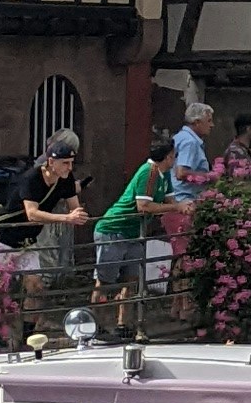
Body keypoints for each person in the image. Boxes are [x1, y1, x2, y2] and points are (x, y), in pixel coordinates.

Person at [93, 133, 175, 300]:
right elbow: (143, 206)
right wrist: (177, 207)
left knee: (131, 280)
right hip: (115, 229)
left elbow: (170, 200)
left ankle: (123, 323)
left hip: (134, 232)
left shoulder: (164, 174)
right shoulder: (149, 172)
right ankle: (95, 322)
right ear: (168, 157)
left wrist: (181, 207)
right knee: (105, 281)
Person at [12, 131, 90, 283]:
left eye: (71, 162)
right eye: (66, 162)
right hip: (31, 223)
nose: (69, 167)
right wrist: (67, 217)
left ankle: (50, 283)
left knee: (37, 280)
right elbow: (33, 212)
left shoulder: (65, 173)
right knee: (45, 253)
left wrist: (78, 212)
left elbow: (72, 201)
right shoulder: (37, 172)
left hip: (44, 223)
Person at [169, 96, 216, 201]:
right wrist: (210, 176)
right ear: (197, 122)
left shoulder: (180, 137)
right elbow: (181, 172)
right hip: (184, 198)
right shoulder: (190, 142)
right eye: (209, 121)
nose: (212, 125)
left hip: (176, 196)